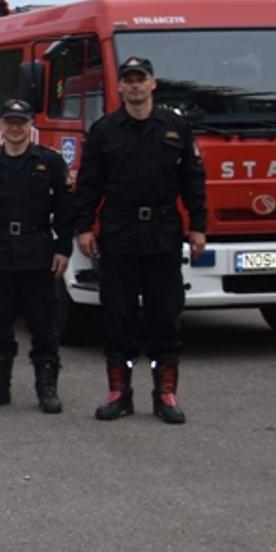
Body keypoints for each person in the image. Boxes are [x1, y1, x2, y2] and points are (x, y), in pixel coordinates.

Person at [73, 56, 207, 424]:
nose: (134, 86)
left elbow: (193, 180)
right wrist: (84, 227)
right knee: (118, 317)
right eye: (128, 80)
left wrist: (198, 226)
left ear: (153, 84)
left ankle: (165, 394)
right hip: (119, 234)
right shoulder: (104, 131)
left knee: (165, 316)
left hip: (163, 232)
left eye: (140, 80)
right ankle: (119, 393)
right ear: (120, 87)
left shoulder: (175, 128)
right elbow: (88, 184)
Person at [0, 100, 73, 413]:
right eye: (10, 122)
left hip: (37, 251)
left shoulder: (49, 163)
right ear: (0, 125)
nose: (15, 128)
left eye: (21, 122)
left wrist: (62, 248)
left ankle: (47, 388)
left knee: (43, 325)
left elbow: (66, 211)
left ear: (31, 126)